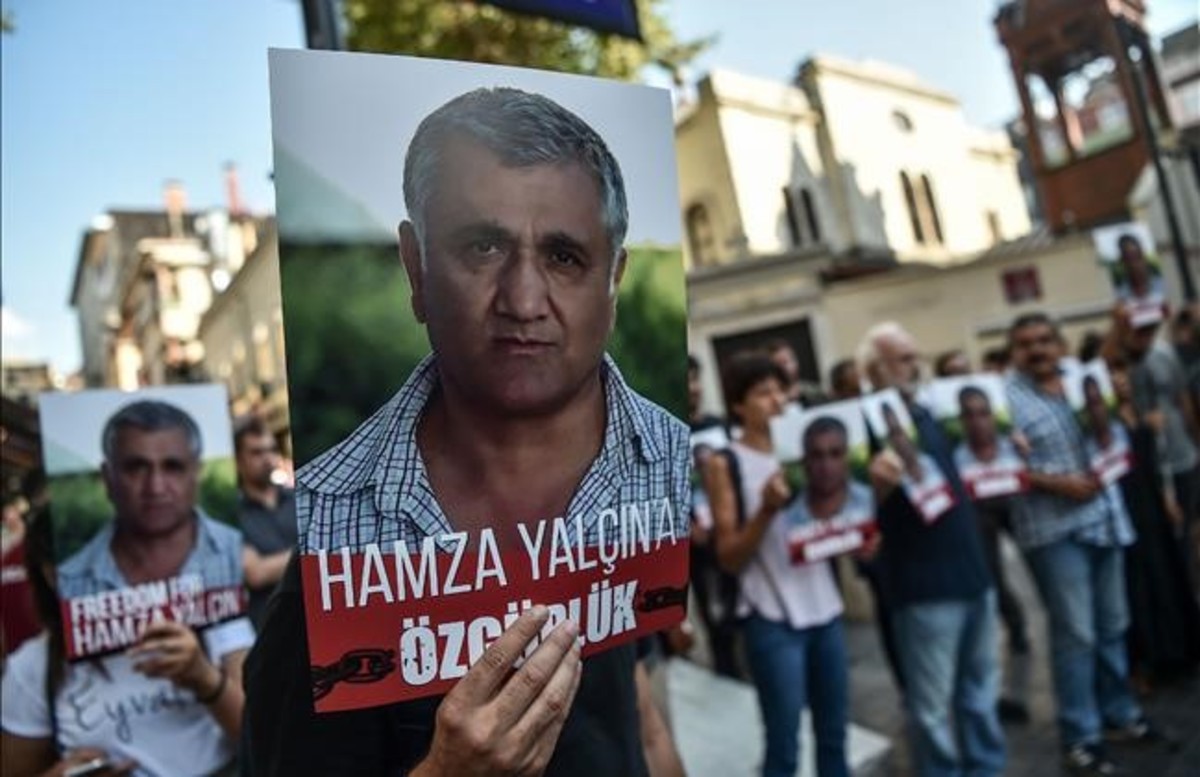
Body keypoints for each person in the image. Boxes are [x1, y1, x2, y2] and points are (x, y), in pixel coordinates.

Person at [243, 86, 687, 777]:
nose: (524, 300)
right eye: (482, 247)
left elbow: (640, 715)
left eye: (565, 256)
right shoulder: (326, 568)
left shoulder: (659, 473)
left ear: (615, 280)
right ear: (415, 266)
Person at [1, 404, 253, 777]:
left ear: (195, 474)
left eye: (172, 466)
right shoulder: (32, 669)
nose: (154, 488)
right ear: (108, 478)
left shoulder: (218, 611)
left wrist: (205, 679)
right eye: (135, 467)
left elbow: (268, 739)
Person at [1005, 312, 1170, 776]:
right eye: (1025, 343)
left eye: (1043, 340)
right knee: (1075, 634)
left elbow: (1112, 437)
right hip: (1054, 531)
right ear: (1015, 351)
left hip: (1104, 518)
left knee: (1113, 624)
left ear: (1059, 343)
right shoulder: (1004, 399)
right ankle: (1080, 736)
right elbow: (995, 471)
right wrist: (1053, 483)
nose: (1037, 350)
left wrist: (1118, 405)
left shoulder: (1084, 379)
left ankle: (1119, 714)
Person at [702, 353, 863, 777]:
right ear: (739, 405)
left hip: (824, 609)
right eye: (762, 393)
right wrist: (766, 511)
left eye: (780, 390)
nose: (776, 401)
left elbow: (834, 522)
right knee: (784, 740)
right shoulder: (725, 463)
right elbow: (729, 557)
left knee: (834, 734)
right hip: (770, 616)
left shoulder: (807, 451)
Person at [857, 322, 1005, 777]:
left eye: (915, 355)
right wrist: (876, 492)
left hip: (973, 576)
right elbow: (851, 519)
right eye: (903, 358)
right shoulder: (861, 430)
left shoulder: (931, 415)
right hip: (922, 590)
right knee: (932, 712)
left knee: (980, 696)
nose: (915, 365)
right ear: (874, 369)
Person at [953, 387, 1030, 657]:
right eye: (969, 415)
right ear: (961, 420)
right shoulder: (958, 457)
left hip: (1016, 507)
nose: (978, 421)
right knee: (991, 573)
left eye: (984, 413)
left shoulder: (1014, 445)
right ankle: (1016, 625)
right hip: (981, 513)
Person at [233, 416, 295, 628]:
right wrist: (313, 552)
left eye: (271, 449)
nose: (268, 458)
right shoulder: (233, 514)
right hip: (270, 632)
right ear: (239, 460)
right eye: (257, 452)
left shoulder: (297, 499)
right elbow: (256, 573)